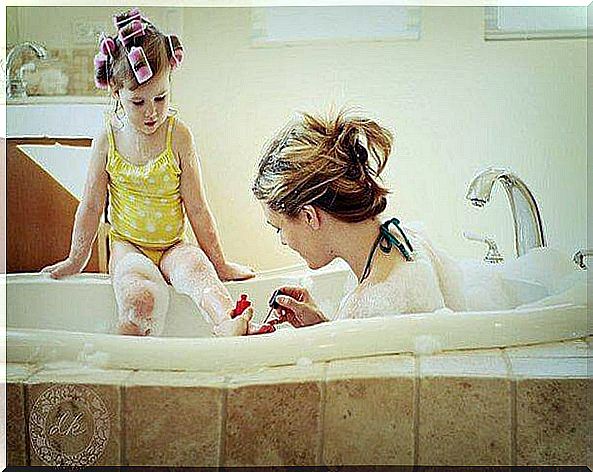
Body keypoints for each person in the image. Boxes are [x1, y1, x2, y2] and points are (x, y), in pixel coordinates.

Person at [42, 8, 254, 337]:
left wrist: (221, 263)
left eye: (161, 97)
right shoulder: (107, 140)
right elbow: (91, 206)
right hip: (128, 246)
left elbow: (197, 207)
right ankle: (130, 352)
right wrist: (75, 260)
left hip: (172, 245)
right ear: (117, 94)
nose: (152, 112)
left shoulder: (178, 136)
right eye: (138, 102)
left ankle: (227, 321)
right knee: (138, 294)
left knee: (199, 272)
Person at [251, 109, 467, 327]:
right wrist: (322, 326)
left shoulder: (363, 309)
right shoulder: (409, 240)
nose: (283, 240)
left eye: (278, 228)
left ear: (309, 216)